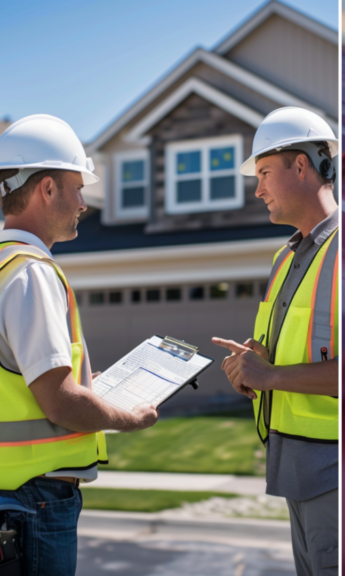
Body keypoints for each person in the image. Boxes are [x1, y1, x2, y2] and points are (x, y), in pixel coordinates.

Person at [0, 115, 158, 575]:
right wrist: (128, 418)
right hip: (33, 503)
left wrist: (93, 383)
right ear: (47, 189)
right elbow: (58, 401)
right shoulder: (31, 273)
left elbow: (26, 379)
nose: (84, 203)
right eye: (77, 186)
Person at [212, 107, 338, 576]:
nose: (258, 187)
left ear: (301, 166)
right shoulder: (286, 257)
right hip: (295, 471)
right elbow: (293, 351)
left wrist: (274, 375)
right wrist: (255, 366)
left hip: (339, 473)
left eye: (264, 172)